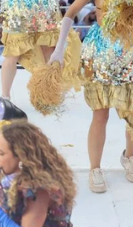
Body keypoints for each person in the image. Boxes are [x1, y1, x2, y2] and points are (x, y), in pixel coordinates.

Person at [49, 0, 133, 192]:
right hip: (100, 53)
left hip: (129, 52)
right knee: (100, 114)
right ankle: (95, 168)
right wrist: (59, 49)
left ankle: (129, 157)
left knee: (131, 112)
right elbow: (71, 12)